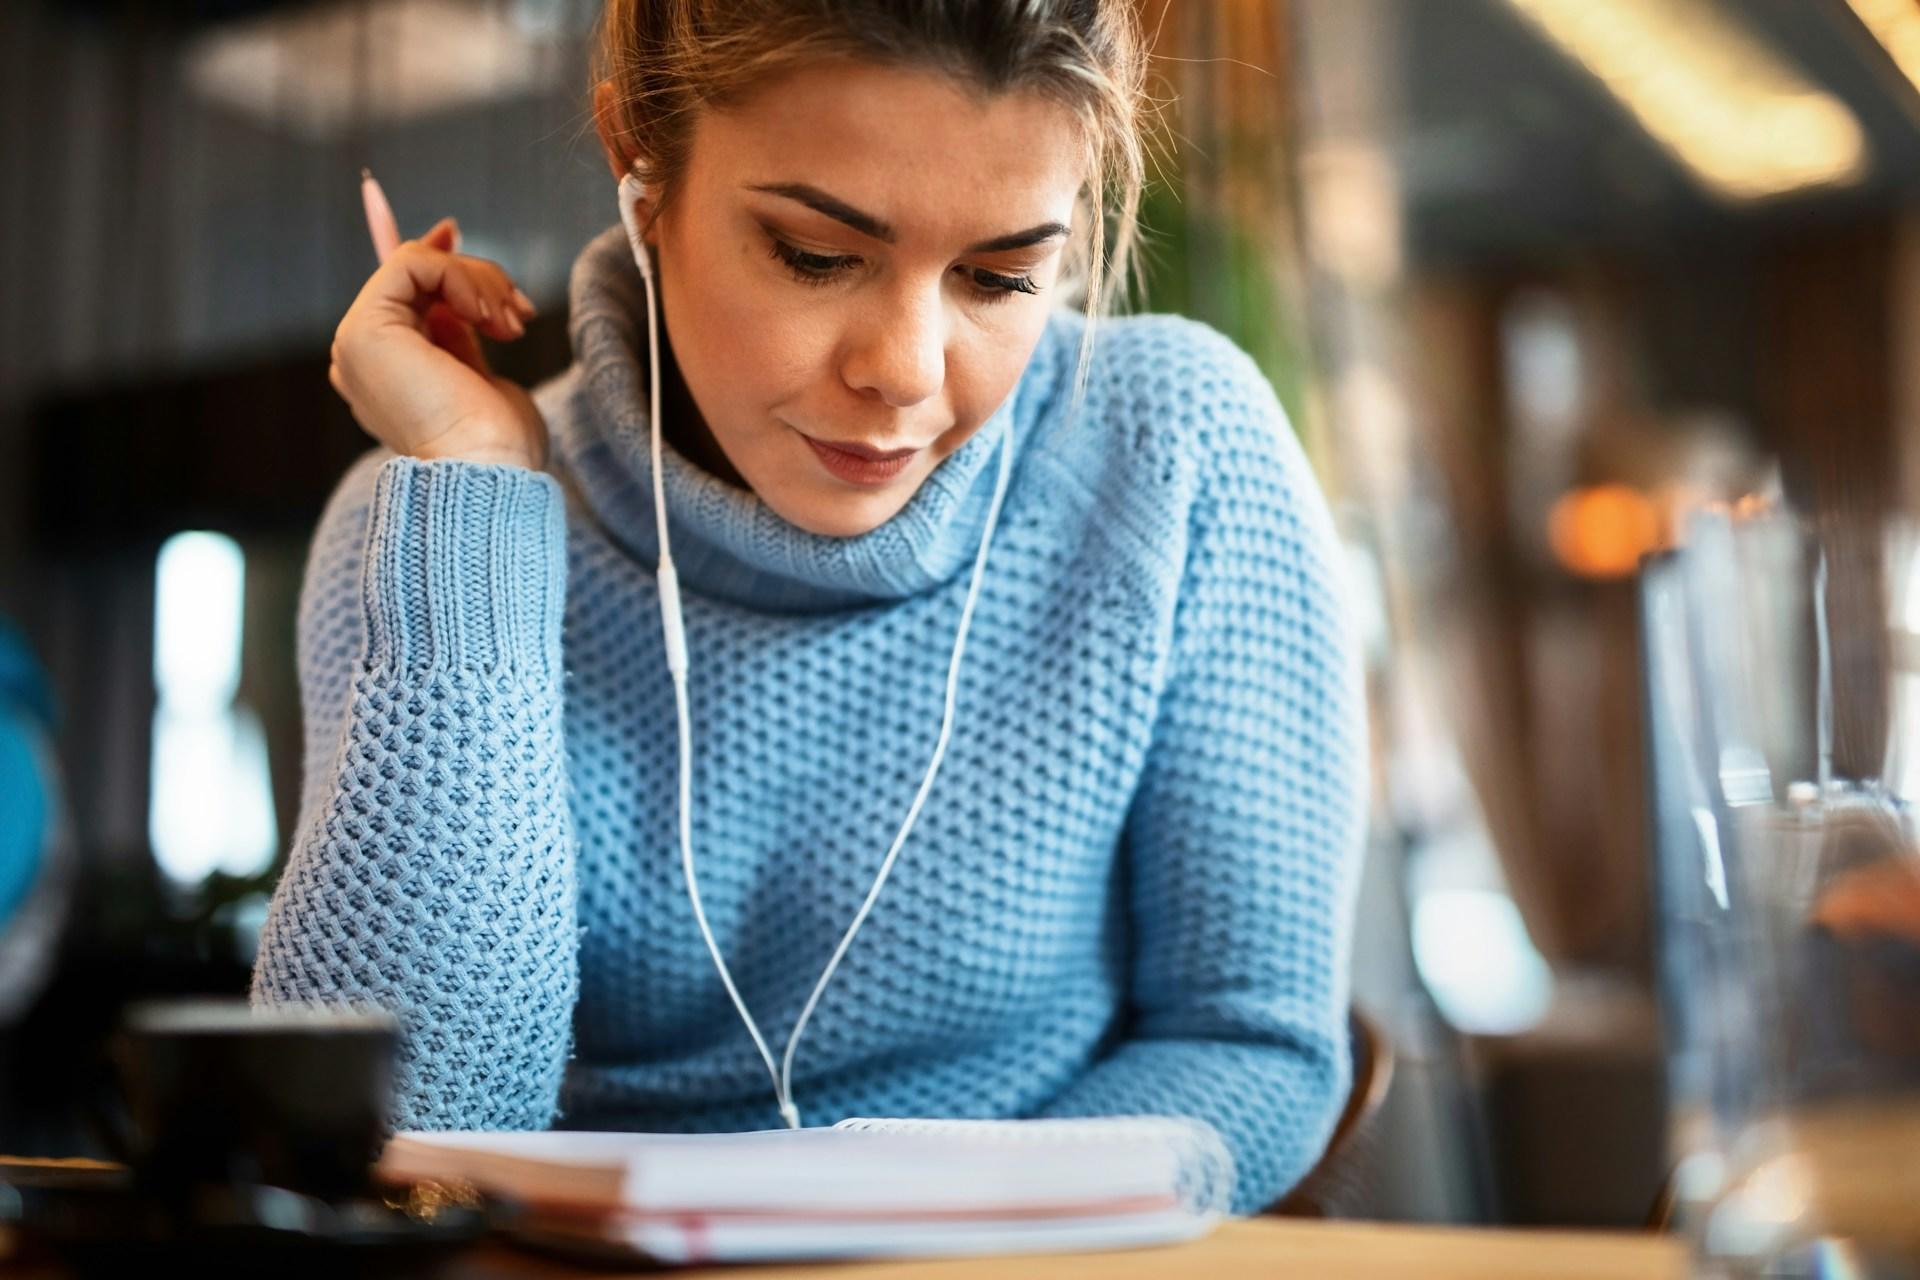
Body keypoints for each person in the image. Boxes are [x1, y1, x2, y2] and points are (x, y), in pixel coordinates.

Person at [256, 0, 1368, 1215]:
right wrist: (476, 498)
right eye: (815, 253)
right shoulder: (423, 527)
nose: (905, 367)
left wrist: (912, 1228)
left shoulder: (1175, 449)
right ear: (641, 159)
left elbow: (1255, 1044)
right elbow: (401, 1142)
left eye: (1000, 276)